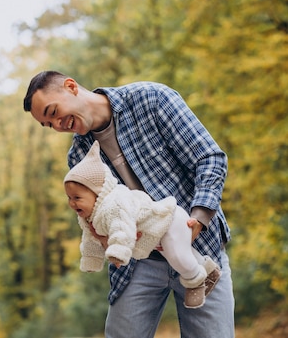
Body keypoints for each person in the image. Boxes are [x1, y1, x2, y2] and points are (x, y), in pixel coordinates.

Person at [23, 70, 233, 337]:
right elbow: (96, 215)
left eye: (53, 112)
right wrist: (102, 237)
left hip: (200, 249)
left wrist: (198, 220)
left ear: (71, 87)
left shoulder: (152, 99)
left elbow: (210, 158)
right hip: (139, 262)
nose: (57, 124)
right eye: (48, 124)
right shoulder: (79, 156)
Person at [64, 140, 220, 309]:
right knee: (173, 252)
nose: (72, 204)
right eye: (69, 198)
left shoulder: (114, 204)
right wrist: (91, 259)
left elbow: (122, 229)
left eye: (77, 198)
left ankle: (195, 281)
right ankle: (207, 268)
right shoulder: (88, 216)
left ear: (97, 192)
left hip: (169, 222)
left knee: (177, 256)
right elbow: (89, 238)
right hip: (156, 236)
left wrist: (118, 252)